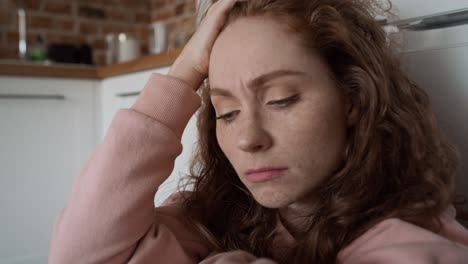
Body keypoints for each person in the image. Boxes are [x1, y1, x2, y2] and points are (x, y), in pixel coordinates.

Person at [48, 0, 468, 263]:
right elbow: (76, 254)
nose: (248, 138)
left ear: (352, 99)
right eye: (227, 112)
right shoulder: (206, 219)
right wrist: (184, 72)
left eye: (281, 99)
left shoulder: (412, 235)